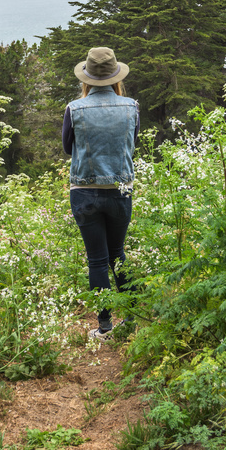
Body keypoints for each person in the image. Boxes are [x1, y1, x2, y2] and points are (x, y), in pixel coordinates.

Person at [62, 47, 140, 341]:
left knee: (97, 259)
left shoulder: (74, 108)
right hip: (120, 190)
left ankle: (105, 326)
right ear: (115, 75)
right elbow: (131, 145)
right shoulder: (131, 107)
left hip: (84, 191)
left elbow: (68, 148)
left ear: (87, 78)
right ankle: (133, 318)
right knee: (117, 254)